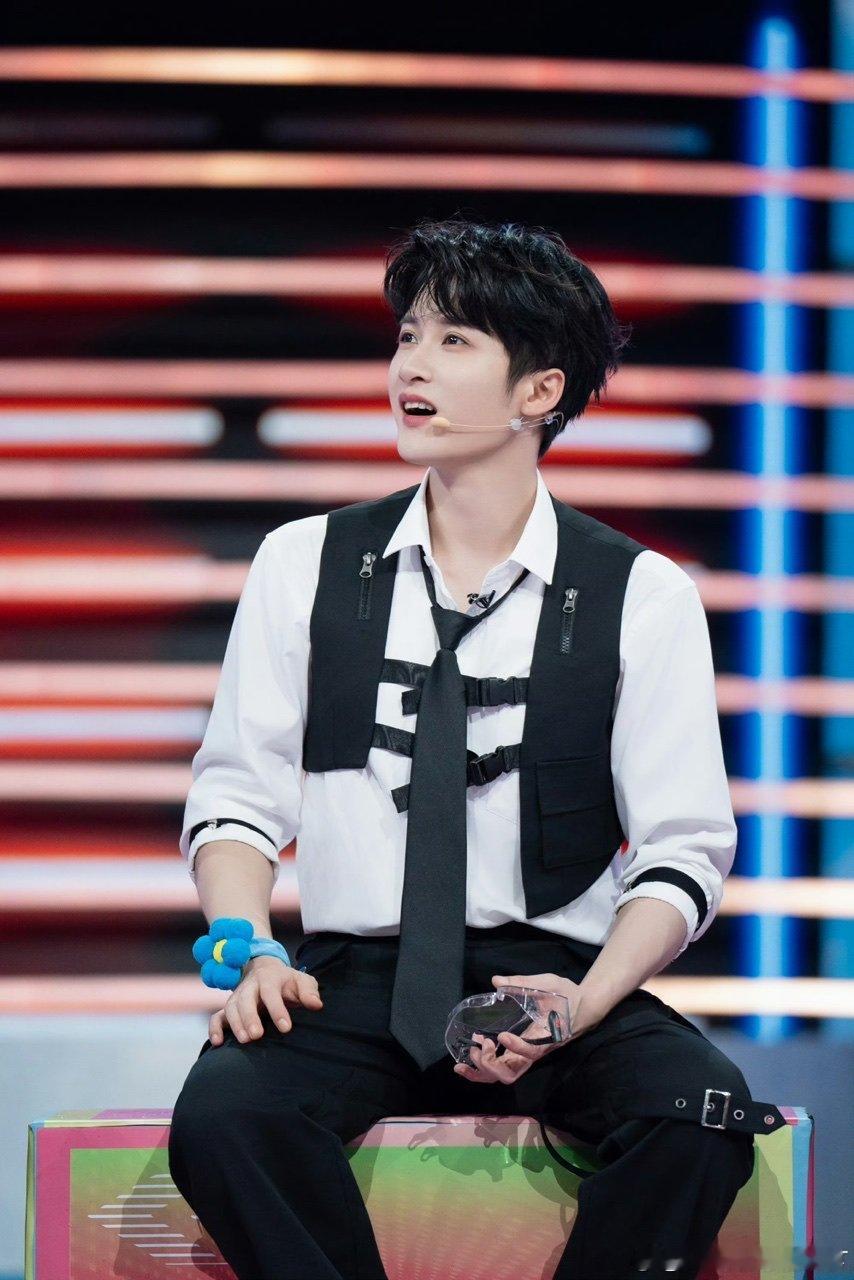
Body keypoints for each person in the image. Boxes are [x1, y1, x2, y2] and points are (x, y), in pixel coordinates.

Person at [167, 216, 771, 1280]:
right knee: (225, 1119)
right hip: (352, 979)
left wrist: (583, 1002)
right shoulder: (302, 563)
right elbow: (236, 798)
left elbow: (683, 849)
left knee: (698, 1113)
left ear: (540, 390)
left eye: (454, 340)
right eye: (408, 334)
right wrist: (246, 942)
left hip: (556, 975)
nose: (411, 363)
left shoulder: (641, 593)